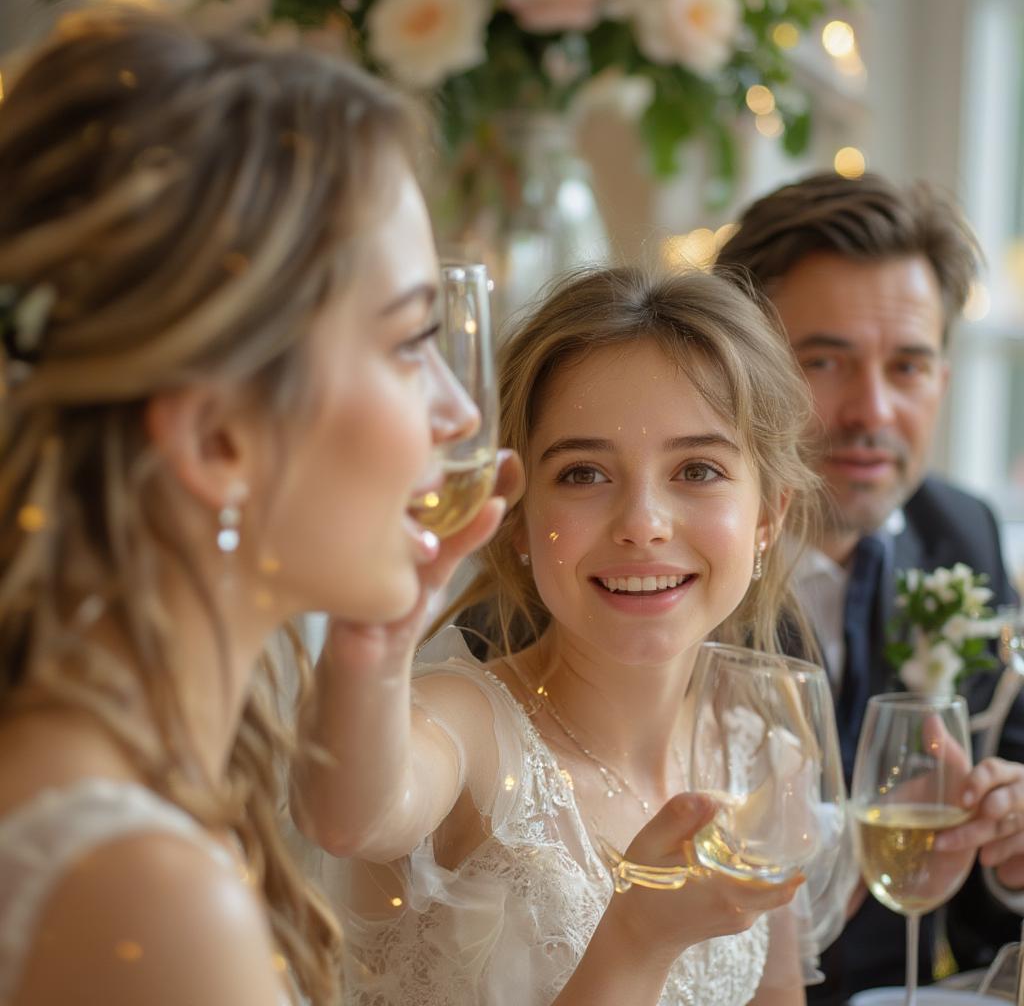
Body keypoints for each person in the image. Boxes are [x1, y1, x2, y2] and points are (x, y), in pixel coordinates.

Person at [0, 8, 512, 1006]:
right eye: (412, 344)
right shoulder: (141, 894)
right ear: (215, 440)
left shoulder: (99, 760)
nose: (457, 411)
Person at [292, 265, 835, 1006]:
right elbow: (347, 815)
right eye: (584, 474)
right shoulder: (465, 727)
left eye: (698, 469)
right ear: (516, 520)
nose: (643, 522)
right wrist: (379, 619)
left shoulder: (760, 745)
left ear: (768, 515)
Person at [717, 171, 1024, 1002]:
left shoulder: (961, 534)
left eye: (910, 365)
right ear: (740, 369)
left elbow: (989, 923)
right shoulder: (660, 562)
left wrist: (1012, 854)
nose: (872, 411)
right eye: (825, 360)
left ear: (944, 382)